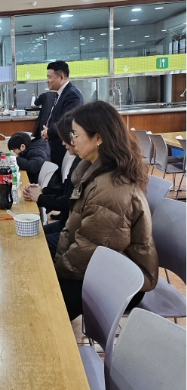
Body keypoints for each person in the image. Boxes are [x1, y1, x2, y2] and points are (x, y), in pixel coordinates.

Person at [54, 101, 159, 321]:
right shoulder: (94, 171)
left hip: (121, 282)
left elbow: (89, 252)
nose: (72, 141)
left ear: (98, 138)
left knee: (43, 297)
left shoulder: (111, 189)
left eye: (75, 135)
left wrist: (54, 269)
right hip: (99, 267)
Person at [24, 112, 81, 257]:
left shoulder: (91, 166)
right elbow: (66, 187)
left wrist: (40, 198)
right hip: (68, 224)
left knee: (30, 244)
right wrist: (43, 191)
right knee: (28, 235)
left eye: (74, 136)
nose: (63, 143)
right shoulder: (80, 160)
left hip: (77, 235)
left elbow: (68, 201)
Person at [40, 61, 83, 166]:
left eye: (50, 77)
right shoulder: (61, 93)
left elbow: (67, 122)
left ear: (62, 77)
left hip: (63, 146)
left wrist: (49, 132)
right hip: (55, 144)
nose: (47, 80)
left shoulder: (72, 95)